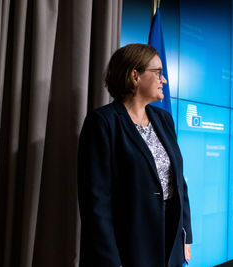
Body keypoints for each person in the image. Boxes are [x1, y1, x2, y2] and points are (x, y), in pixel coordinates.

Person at [78, 43, 192, 267]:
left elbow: (179, 183)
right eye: (158, 73)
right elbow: (95, 202)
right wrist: (110, 260)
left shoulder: (164, 119)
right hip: (129, 244)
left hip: (169, 239)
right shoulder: (103, 123)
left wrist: (185, 234)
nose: (164, 80)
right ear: (135, 76)